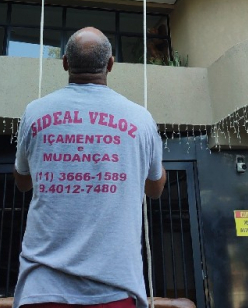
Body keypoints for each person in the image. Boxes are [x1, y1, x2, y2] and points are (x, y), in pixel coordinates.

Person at [13, 26, 166, 308]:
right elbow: (155, 189)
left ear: (65, 63)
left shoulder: (35, 112)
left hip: (42, 288)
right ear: (110, 64)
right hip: (114, 289)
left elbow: (23, 182)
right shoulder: (141, 119)